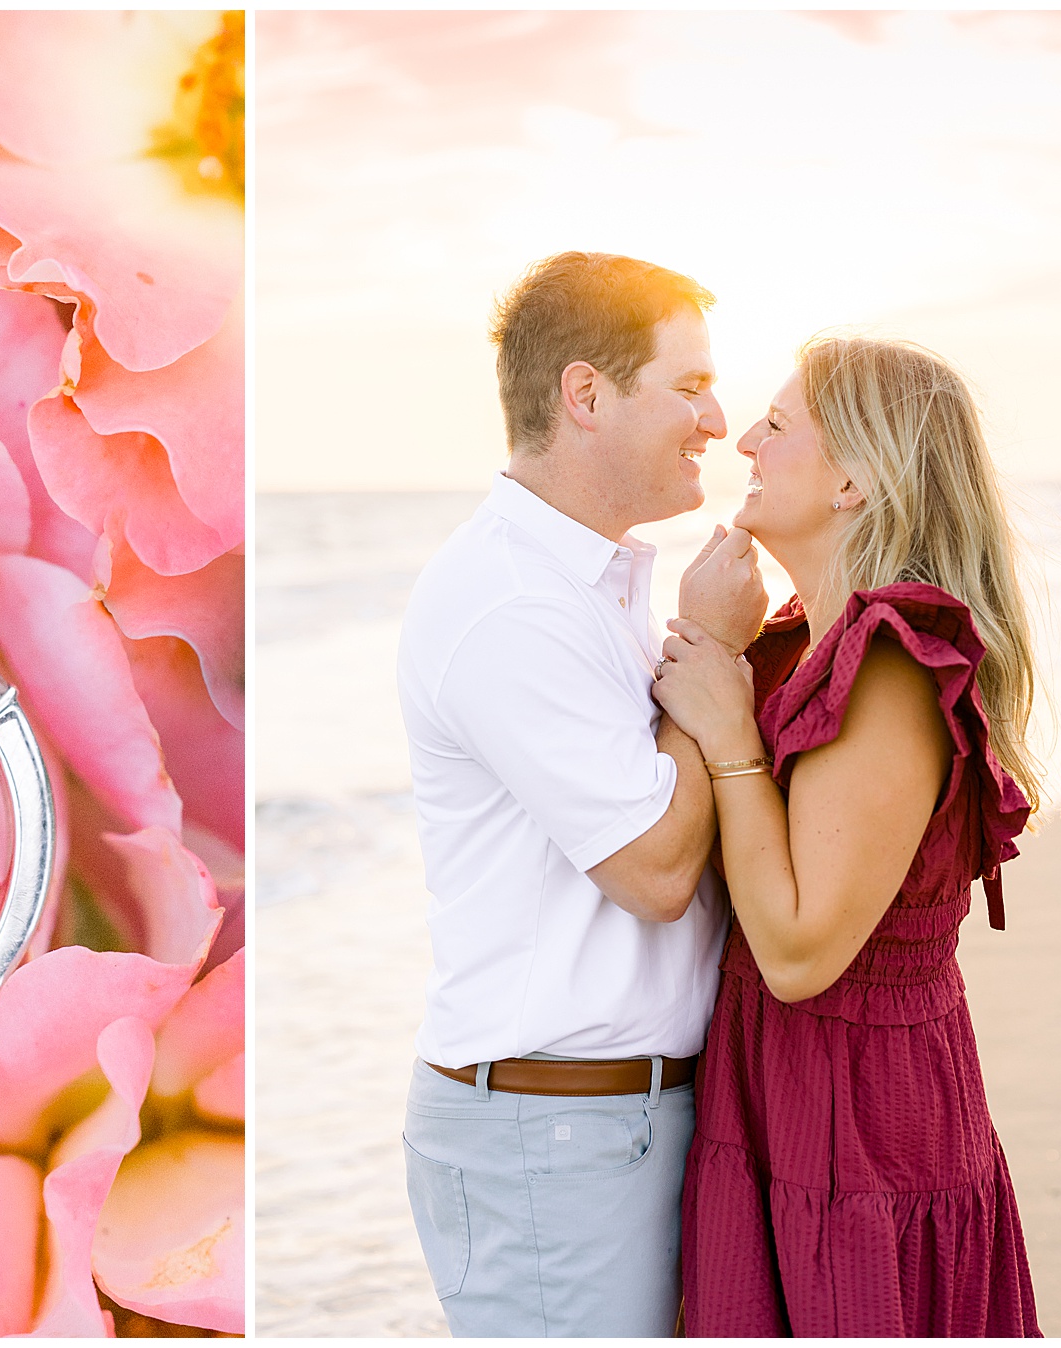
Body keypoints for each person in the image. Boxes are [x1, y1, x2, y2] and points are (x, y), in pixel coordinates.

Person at [395, 251, 766, 1336]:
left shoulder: (589, 585)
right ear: (587, 395)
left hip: (603, 1123)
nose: (716, 415)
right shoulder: (510, 603)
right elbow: (653, 871)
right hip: (551, 1138)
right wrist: (715, 652)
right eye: (688, 384)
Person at [651, 336, 1042, 1335]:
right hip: (780, 1098)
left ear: (855, 483)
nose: (743, 440)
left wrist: (730, 729)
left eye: (777, 427)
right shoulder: (795, 646)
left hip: (857, 1121)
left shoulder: (889, 668)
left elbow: (796, 952)